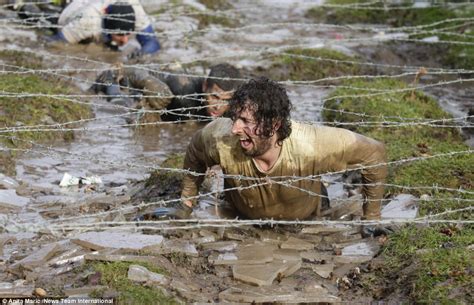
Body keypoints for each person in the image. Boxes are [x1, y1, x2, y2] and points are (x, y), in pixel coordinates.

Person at [168, 77, 387, 221]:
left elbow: (374, 152)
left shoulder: (311, 145)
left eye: (245, 121)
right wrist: (186, 204)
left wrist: (372, 217)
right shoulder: (220, 138)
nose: (235, 129)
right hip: (243, 215)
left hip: (307, 213)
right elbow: (195, 152)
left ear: (273, 125)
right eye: (235, 119)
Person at [91, 63, 243, 121]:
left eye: (225, 100)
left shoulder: (237, 106)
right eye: (214, 97)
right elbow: (129, 71)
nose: (218, 106)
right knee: (125, 108)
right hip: (136, 88)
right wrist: (148, 82)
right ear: (204, 86)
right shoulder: (183, 89)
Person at [49, 0, 160, 57]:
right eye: (120, 34)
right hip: (72, 11)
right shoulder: (87, 22)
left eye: (128, 34)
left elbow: (152, 42)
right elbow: (56, 43)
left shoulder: (135, 10)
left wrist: (141, 54)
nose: (125, 40)